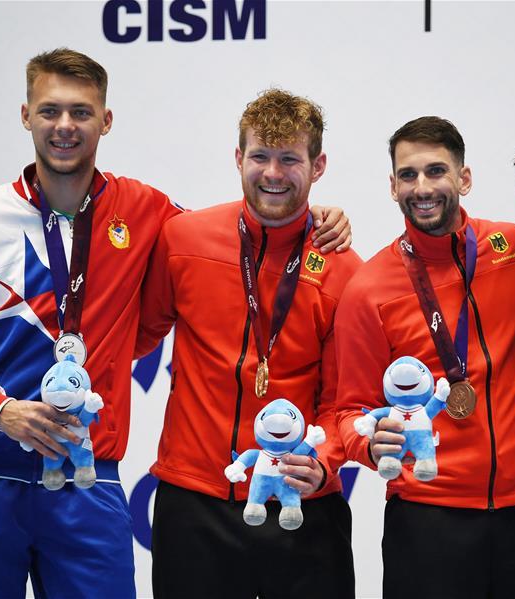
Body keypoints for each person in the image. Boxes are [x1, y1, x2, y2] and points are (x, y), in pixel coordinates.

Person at [0, 49, 350, 599]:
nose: (65, 126)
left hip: (88, 478)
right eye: (50, 110)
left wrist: (314, 219)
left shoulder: (146, 210)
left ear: (106, 120)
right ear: (25, 116)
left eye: (81, 112)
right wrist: (1, 410)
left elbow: (249, 230)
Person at [136, 88, 362, 599]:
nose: (273, 173)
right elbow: (132, 336)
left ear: (318, 165)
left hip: (302, 503)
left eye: (290, 159)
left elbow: (344, 401)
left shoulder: (345, 271)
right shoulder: (183, 239)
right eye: (260, 156)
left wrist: (324, 459)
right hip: (193, 502)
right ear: (238, 158)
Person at [334, 116, 515, 599]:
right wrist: (370, 444)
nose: (422, 188)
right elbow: (349, 410)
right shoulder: (368, 289)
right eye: (408, 175)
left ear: (464, 178)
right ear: (392, 187)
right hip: (427, 517)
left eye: (436, 171)